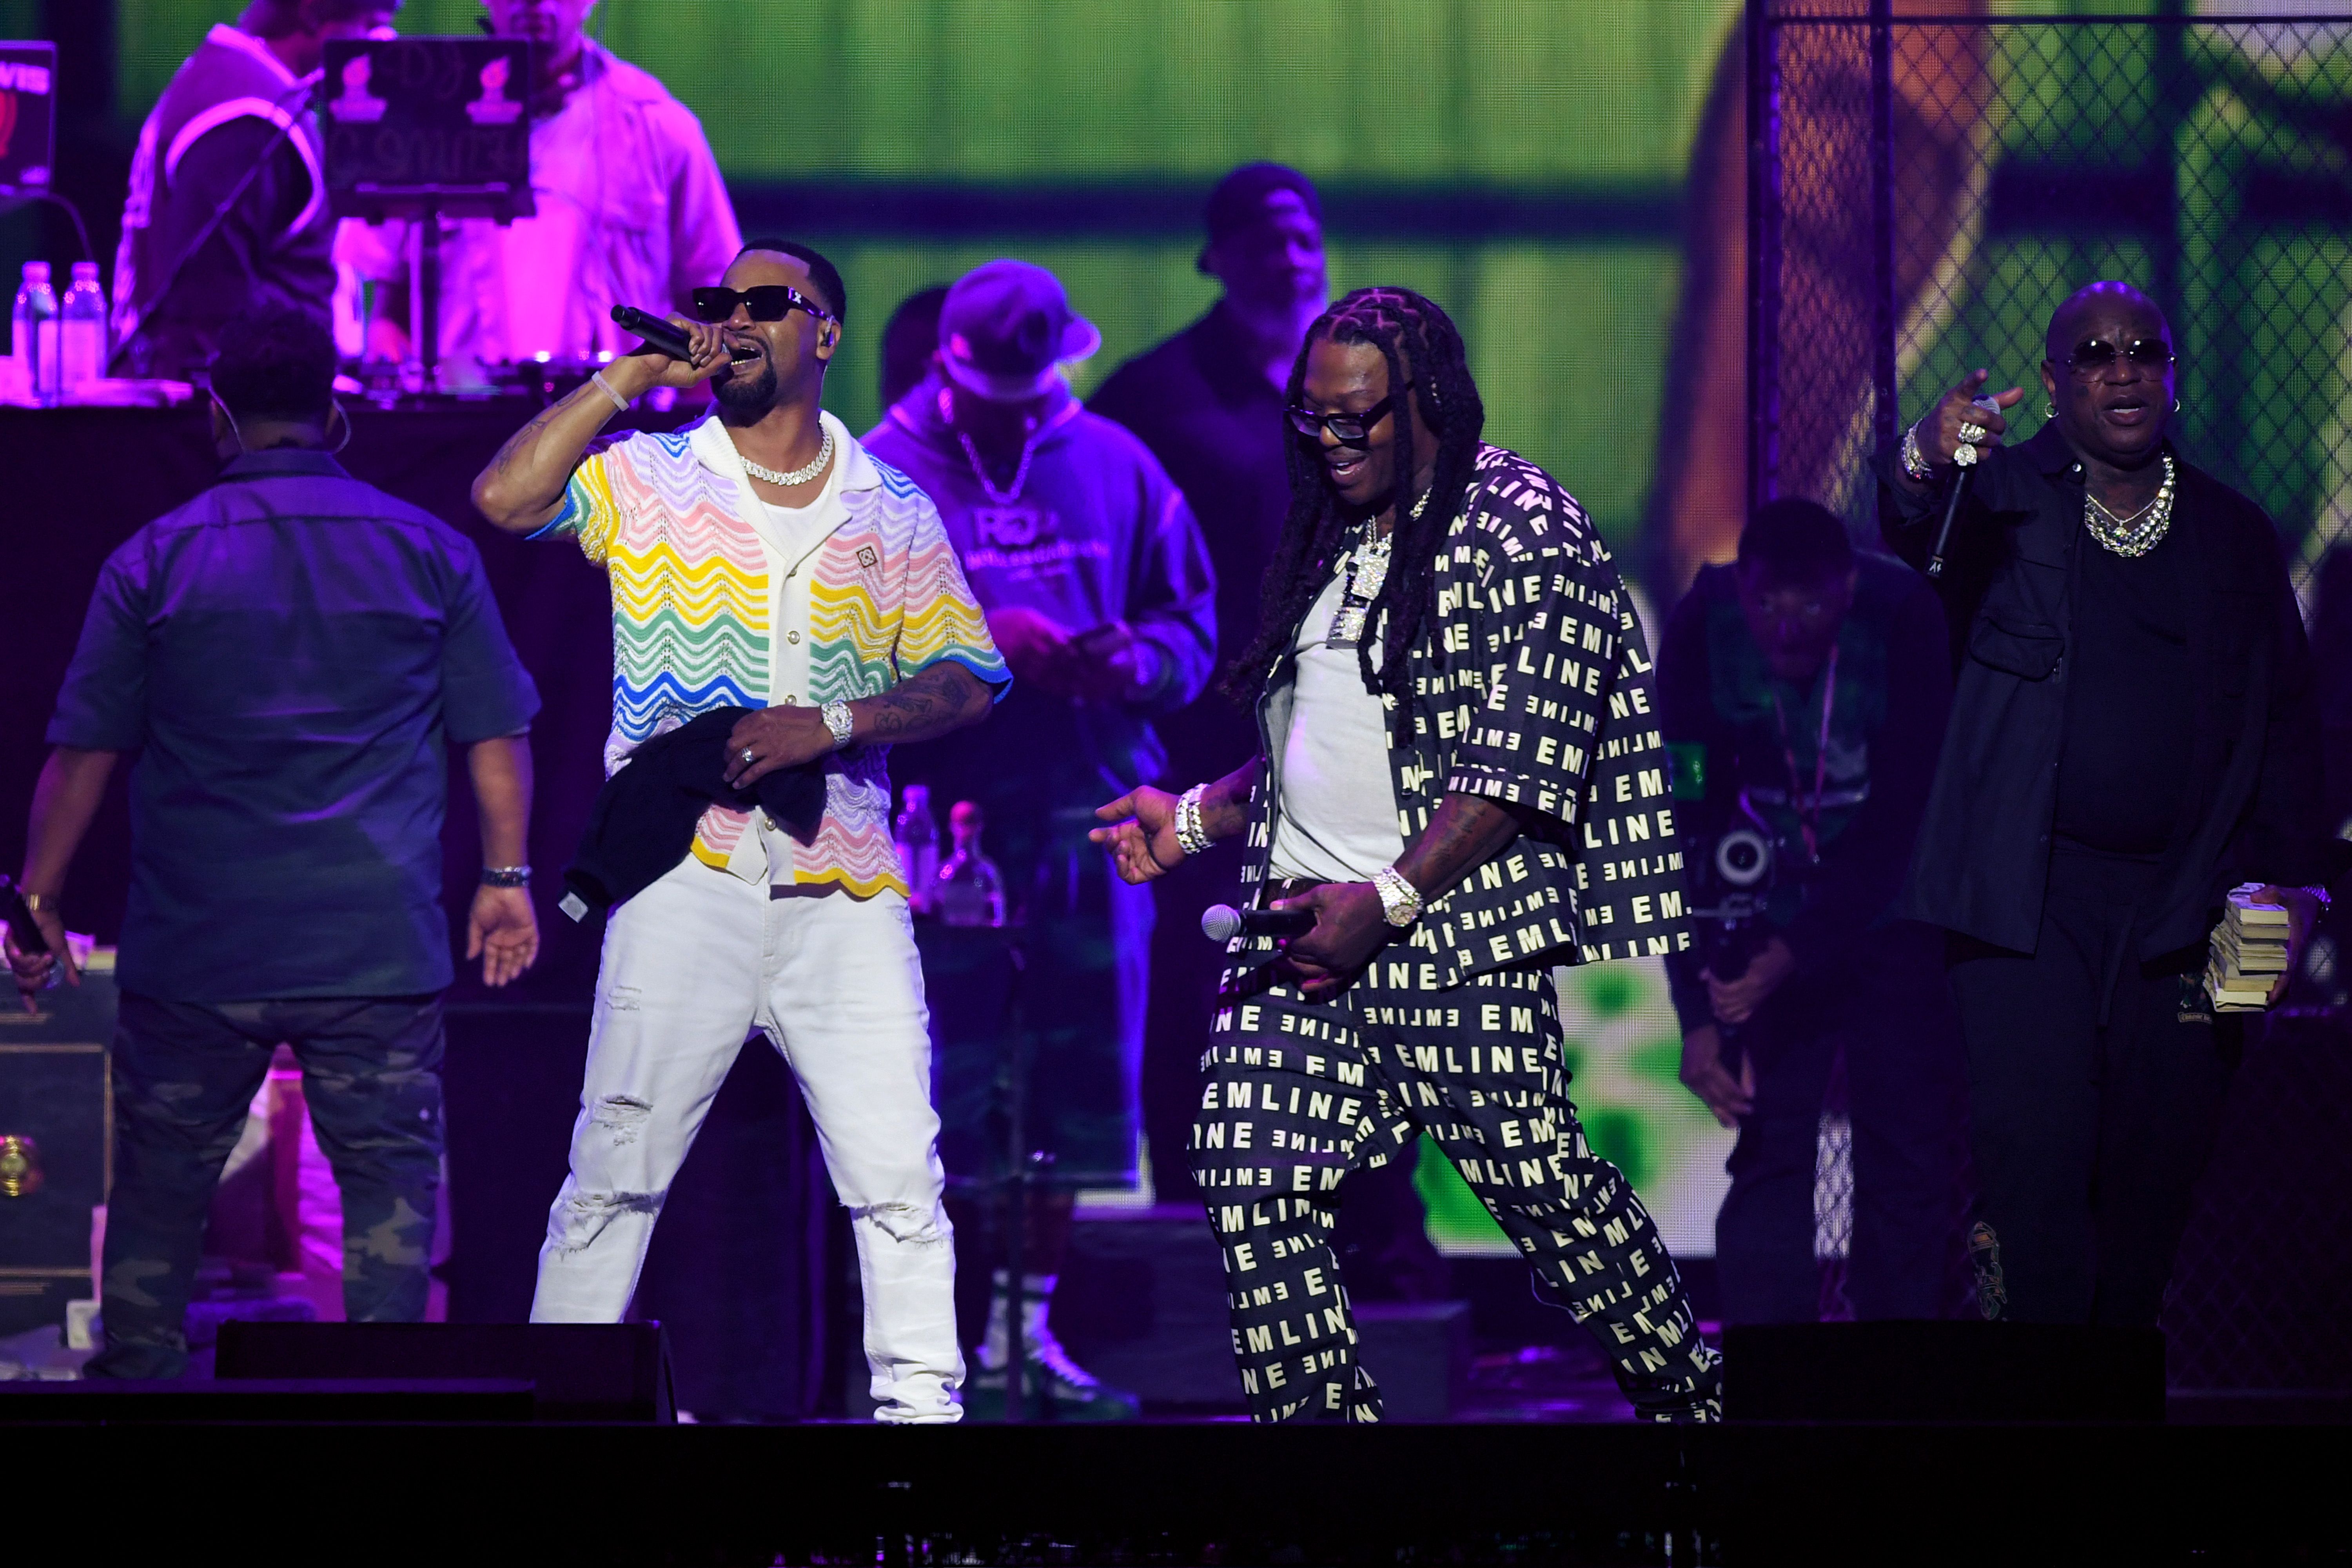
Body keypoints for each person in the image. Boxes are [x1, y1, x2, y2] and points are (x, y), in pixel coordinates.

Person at [1092, 287, 1722, 1424]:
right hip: (1300, 942)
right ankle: (1338, 1474)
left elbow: (1521, 767)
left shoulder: (1524, 523)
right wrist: (1190, 820)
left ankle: (1693, 1423)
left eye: (1357, 421)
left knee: (1554, 1208)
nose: (1328, 445)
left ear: (1428, 404)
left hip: (1452, 947)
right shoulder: (1332, 535)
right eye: (1311, 420)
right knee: (1247, 1175)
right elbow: (1326, 754)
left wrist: (1384, 901)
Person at [470, 238, 1009, 1424]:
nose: (736, 320)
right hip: (682, 870)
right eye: (718, 303)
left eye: (770, 304)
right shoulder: (652, 472)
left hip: (844, 880)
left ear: (823, 333)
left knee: (895, 1178)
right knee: (613, 1172)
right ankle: (561, 1426)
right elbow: (504, 501)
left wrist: (832, 720)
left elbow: (970, 677)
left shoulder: (891, 505)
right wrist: (626, 379)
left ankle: (921, 1437)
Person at [5, 303, 542, 1378]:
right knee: (391, 1229)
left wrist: (40, 904)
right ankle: (391, 1445)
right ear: (335, 413)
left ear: (216, 417)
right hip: (375, 950)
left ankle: (143, 1431)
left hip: (199, 955)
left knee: (158, 1215)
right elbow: (496, 733)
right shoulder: (428, 552)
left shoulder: (151, 560)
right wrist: (505, 881)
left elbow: (82, 756)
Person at [1883, 280, 2334, 1326]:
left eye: (2144, 351)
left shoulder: (2234, 534)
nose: (2121, 369)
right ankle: (2040, 1434)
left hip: (2190, 915)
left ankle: (2114, 1436)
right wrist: (1923, 452)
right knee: (2034, 1177)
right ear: (2052, 383)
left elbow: (2290, 728)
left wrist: (2286, 910)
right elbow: (1911, 522)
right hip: (2020, 907)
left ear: (2170, 378)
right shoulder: (1997, 500)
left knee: (2158, 1187)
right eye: (2094, 354)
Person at [864, 258, 1216, 1419]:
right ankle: (922, 1352)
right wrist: (977, 639)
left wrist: (1135, 660)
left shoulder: (1113, 462)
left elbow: (1189, 626)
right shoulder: (877, 475)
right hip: (928, 823)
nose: (1024, 409)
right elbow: (815, 657)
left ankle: (1022, 1345)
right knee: (935, 1091)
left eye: (1037, 387)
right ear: (944, 365)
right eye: (999, 389)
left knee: (1071, 1095)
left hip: (1089, 811)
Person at [1659, 497, 1968, 1323]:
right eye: (1766, 602)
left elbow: (1909, 815)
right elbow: (1687, 812)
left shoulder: (1903, 617)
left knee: (1905, 1149)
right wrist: (1702, 1007)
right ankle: (1773, 1383)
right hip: (1771, 905)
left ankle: (1894, 1391)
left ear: (1845, 590)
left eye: (1809, 603)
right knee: (1768, 1138)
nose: (1785, 626)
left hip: (1893, 912)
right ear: (1744, 589)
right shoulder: (1703, 623)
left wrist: (1789, 954)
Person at [339, 0, 741, 381]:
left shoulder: (658, 127)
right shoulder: (426, 122)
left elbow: (712, 304)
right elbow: (390, 311)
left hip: (619, 427)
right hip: (463, 427)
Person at [111, 0, 400, 380]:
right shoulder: (247, 119)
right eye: (369, 25)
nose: (382, 42)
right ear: (313, 11)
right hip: (244, 421)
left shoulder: (231, 80)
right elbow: (211, 313)